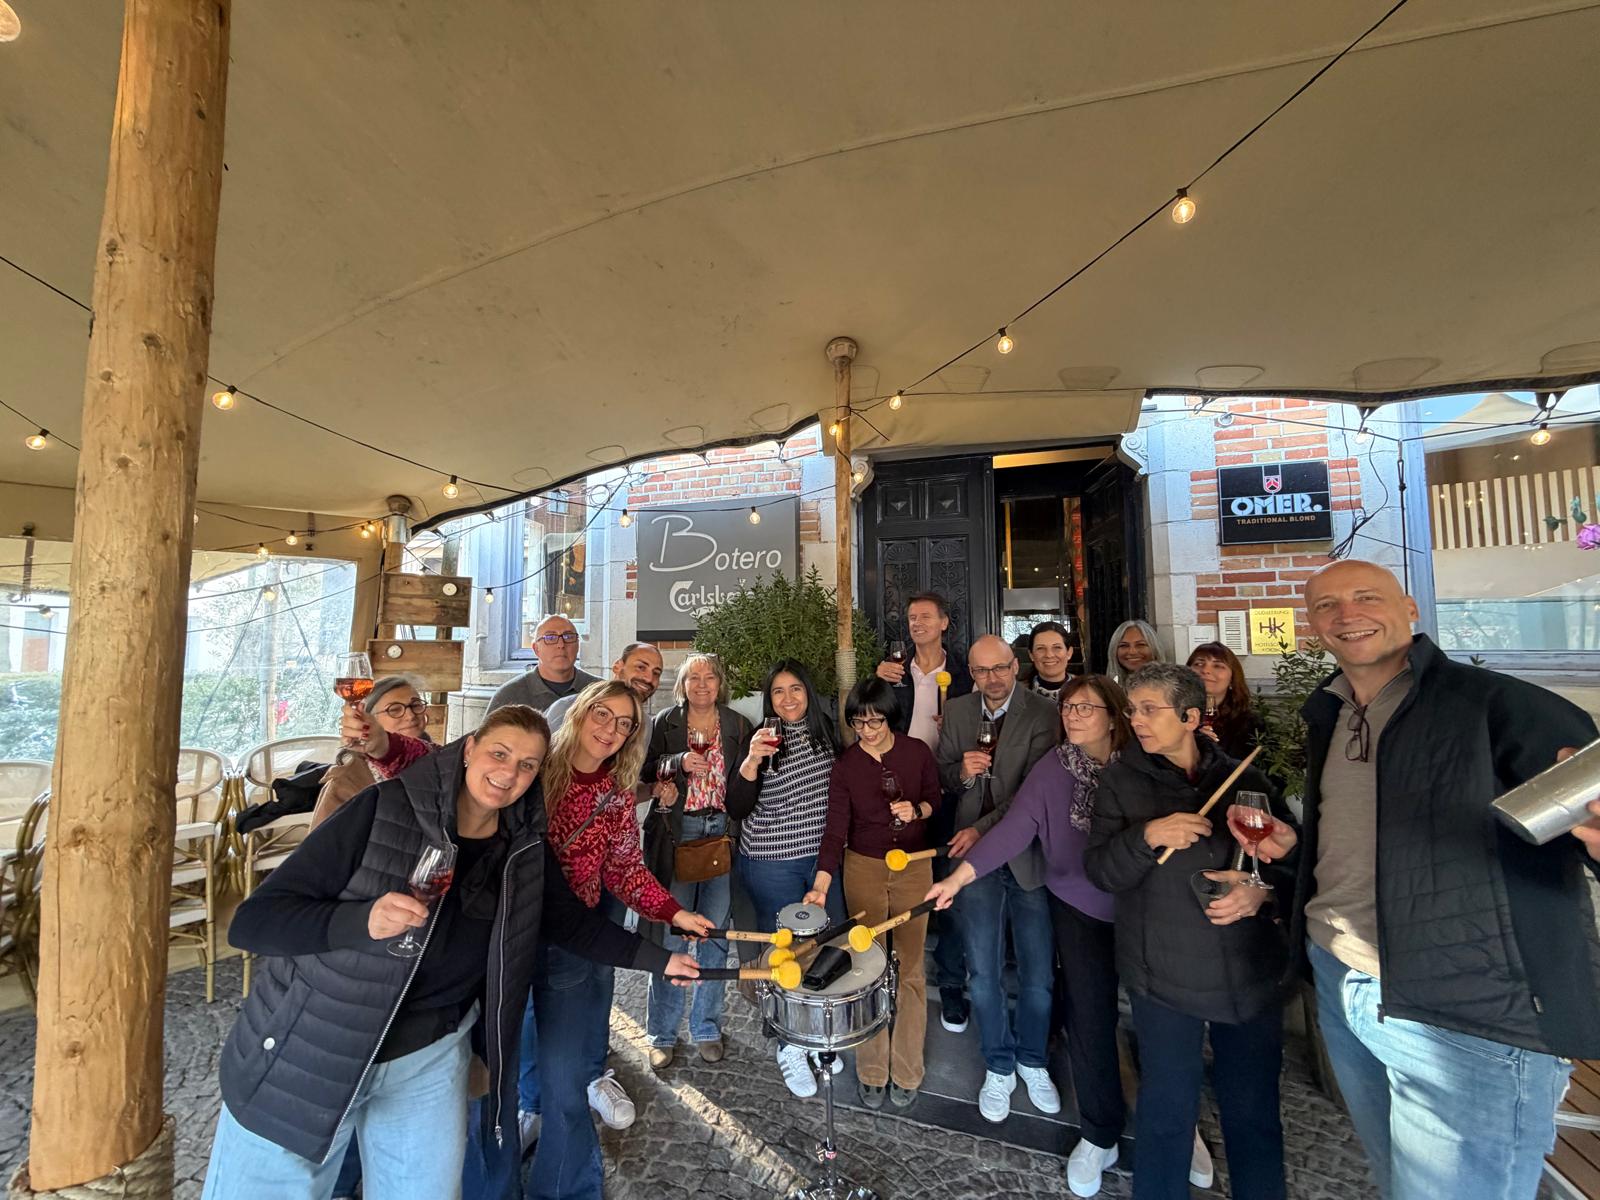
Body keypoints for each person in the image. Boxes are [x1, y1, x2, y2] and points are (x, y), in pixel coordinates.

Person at [200, 705, 699, 1200]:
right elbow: (254, 922)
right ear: (468, 750)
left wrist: (662, 959)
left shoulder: (523, 848)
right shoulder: (383, 810)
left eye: (526, 765)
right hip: (318, 1043)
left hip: (428, 1056)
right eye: (499, 754)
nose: (509, 772)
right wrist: (360, 921)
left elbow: (571, 923)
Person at [1260, 559, 1600, 1200]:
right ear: (1312, 625)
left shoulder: (1502, 707)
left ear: (1411, 609)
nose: (1347, 615)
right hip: (1341, 981)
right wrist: (1293, 853)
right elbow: (1375, 842)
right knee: (1397, 1183)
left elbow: (1586, 821)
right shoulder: (1333, 712)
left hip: (1468, 1011)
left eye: (1367, 597)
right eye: (1327, 605)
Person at [361, 685, 713, 1200]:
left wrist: (673, 911)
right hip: (502, 940)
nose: (611, 729)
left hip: (571, 944)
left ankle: (567, 1189)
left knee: (567, 1082)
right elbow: (441, 763)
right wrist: (381, 745)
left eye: (625, 724)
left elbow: (624, 869)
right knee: (492, 1081)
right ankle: (492, 1189)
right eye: (603, 713)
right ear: (581, 711)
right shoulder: (534, 765)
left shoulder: (615, 794)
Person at [1084, 663, 1289, 1200]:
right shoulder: (1120, 780)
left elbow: (1292, 865)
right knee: (1167, 1111)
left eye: (1149, 710)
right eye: (1132, 710)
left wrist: (1262, 892)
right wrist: (1148, 835)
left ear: (1191, 717)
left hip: (1247, 971)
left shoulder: (1244, 780)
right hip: (1163, 973)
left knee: (1254, 1113)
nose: (1136, 720)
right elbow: (1101, 871)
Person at [926, 675, 1131, 1197]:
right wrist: (957, 878)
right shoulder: (1056, 765)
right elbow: (1018, 823)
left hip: (1134, 909)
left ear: (1114, 715)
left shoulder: (1136, 763)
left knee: (1052, 984)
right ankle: (1005, 1067)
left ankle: (1039, 1062)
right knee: (1076, 1010)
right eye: (1070, 707)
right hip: (1075, 904)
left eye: (1086, 708)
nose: (1073, 715)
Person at [935, 635, 1061, 1123]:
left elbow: (1032, 794)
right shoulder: (958, 711)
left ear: (1016, 666)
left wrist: (980, 830)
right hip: (974, 863)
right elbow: (943, 775)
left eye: (1001, 668)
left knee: (1038, 974)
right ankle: (999, 1064)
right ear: (970, 672)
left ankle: (1033, 1059)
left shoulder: (1042, 713)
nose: (993, 678)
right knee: (983, 973)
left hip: (1026, 856)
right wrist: (962, 773)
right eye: (982, 670)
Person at [805, 677, 942, 1110]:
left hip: (914, 866)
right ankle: (872, 1068)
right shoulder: (847, 765)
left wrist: (916, 810)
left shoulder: (916, 752)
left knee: (911, 968)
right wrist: (821, 884)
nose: (867, 731)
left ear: (890, 718)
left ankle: (908, 1068)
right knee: (868, 968)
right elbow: (835, 829)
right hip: (863, 867)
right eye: (859, 723)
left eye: (875, 722)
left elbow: (935, 800)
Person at [731, 659, 845, 1097]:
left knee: (823, 948)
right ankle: (788, 1043)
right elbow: (737, 806)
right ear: (769, 699)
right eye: (778, 691)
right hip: (771, 860)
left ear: (808, 692)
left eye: (795, 688)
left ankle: (813, 1031)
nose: (788, 698)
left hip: (820, 862)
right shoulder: (759, 738)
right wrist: (750, 762)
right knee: (783, 953)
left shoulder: (827, 732)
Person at [640, 652, 754, 1068]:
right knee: (672, 935)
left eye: (709, 677)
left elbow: (747, 778)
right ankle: (662, 1033)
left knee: (715, 935)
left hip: (720, 832)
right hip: (679, 833)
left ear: (720, 684)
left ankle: (706, 1026)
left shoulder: (737, 724)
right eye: (694, 678)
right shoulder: (666, 721)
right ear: (683, 685)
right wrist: (678, 763)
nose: (702, 684)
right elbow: (647, 770)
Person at [874, 591, 973, 1031]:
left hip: (949, 795)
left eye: (926, 617)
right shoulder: (893, 671)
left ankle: (950, 984)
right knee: (893, 885)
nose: (917, 623)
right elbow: (869, 717)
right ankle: (886, 977)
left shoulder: (964, 674)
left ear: (944, 623)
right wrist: (874, 679)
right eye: (912, 618)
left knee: (949, 890)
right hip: (901, 793)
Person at [312, 674, 429, 830]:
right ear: (368, 719)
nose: (410, 715)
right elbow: (322, 843)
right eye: (395, 710)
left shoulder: (438, 758)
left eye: (416, 705)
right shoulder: (345, 784)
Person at [487, 614, 602, 713]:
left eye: (568, 637)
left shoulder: (599, 691)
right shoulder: (509, 696)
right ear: (536, 648)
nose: (561, 645)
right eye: (550, 638)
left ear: (578, 645)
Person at [545, 642, 664, 731]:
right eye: (641, 667)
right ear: (617, 666)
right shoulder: (566, 709)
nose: (649, 678)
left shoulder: (646, 726)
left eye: (656, 673)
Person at [1185, 641, 1265, 762]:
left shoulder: (1250, 724)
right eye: (1199, 664)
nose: (1205, 670)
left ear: (1232, 679)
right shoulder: (1171, 715)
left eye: (1217, 666)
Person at [1026, 620, 1076, 703]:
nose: (1049, 655)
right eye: (1040, 648)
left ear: (1069, 653)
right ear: (1031, 655)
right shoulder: (1016, 694)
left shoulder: (1087, 690)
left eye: (1057, 647)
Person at [1105, 619, 1164, 687]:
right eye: (1124, 645)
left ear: (1155, 648)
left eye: (1140, 645)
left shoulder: (1169, 688)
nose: (1132, 652)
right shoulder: (1106, 689)